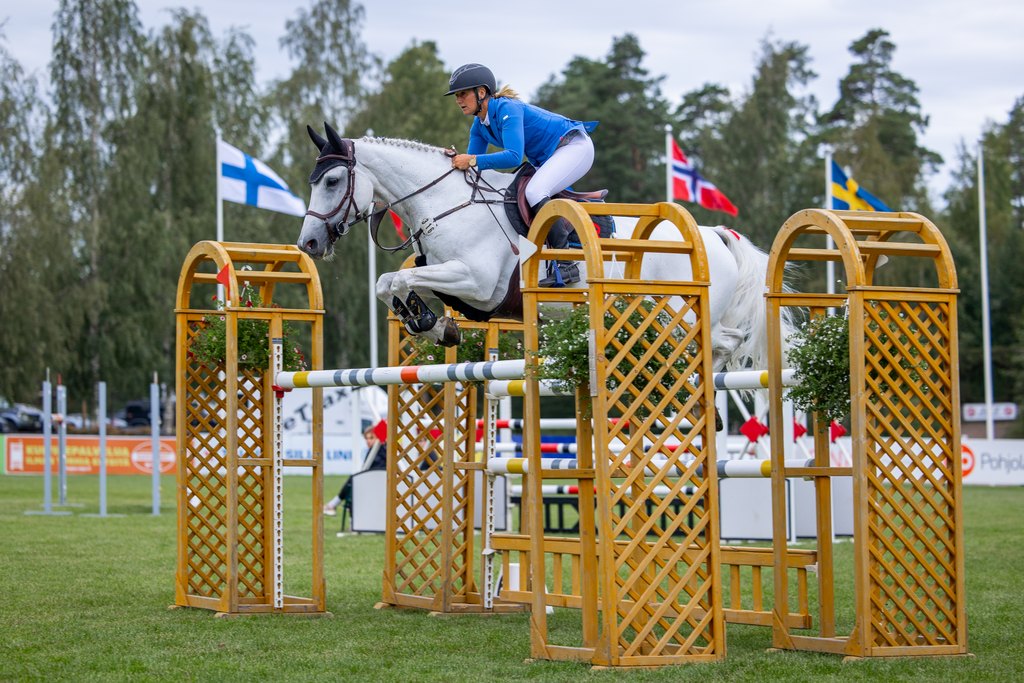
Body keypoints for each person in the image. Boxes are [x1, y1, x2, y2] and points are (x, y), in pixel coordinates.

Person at [445, 63, 598, 287]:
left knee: (535, 191)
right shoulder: (479, 126)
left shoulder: (508, 108)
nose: (458, 100)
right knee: (517, 192)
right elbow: (474, 168)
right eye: (456, 96)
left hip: (574, 146)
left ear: (481, 93)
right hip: (549, 157)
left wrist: (471, 160)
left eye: (463, 94)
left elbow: (514, 157)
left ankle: (567, 265)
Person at [324, 426, 386, 518]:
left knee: (353, 481)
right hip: (371, 481)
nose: (368, 441)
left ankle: (333, 505)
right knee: (353, 482)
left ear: (378, 438)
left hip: (378, 483)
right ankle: (335, 506)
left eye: (371, 438)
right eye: (366, 438)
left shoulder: (382, 449)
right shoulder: (371, 450)